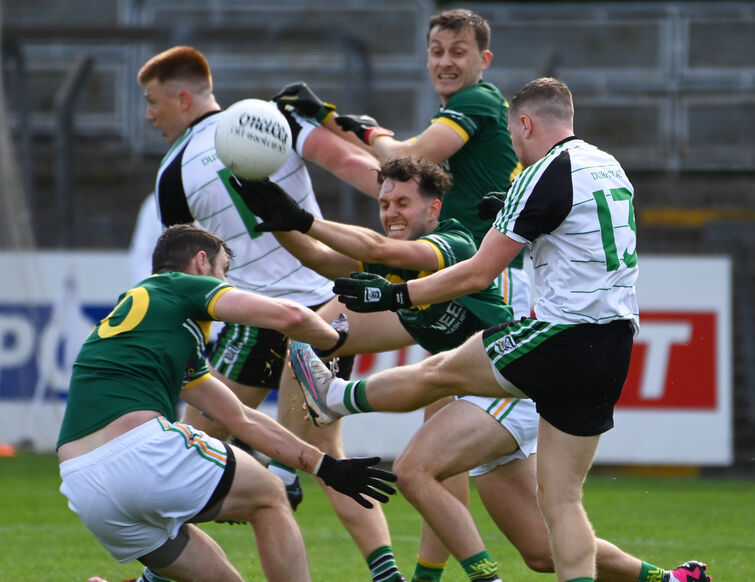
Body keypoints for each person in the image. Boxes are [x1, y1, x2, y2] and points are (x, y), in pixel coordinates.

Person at [289, 78, 711, 582]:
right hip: (616, 341)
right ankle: (667, 580)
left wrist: (395, 294)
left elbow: (476, 274)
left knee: (442, 372)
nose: (514, 146)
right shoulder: (610, 166)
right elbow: (576, 241)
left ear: (526, 124)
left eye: (515, 135)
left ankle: (336, 395)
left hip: (561, 334)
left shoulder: (541, 172)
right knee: (561, 506)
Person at [136, 46, 408, 582]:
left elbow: (188, 275)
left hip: (251, 315)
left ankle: (159, 573)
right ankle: (387, 575)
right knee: (326, 450)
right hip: (323, 306)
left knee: (194, 453)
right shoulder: (276, 118)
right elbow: (359, 168)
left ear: (182, 97)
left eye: (152, 101)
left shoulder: (172, 175)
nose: (149, 114)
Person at [275, 12, 532, 576]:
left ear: (483, 61)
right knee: (318, 339)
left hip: (469, 280)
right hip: (444, 281)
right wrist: (337, 124)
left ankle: (283, 473)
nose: (445, 60)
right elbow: (390, 175)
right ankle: (301, 469)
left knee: (436, 460)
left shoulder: (482, 103)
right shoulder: (461, 113)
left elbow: (409, 156)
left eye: (458, 51)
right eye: (436, 50)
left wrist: (354, 128)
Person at [58, 224, 396, 582]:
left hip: (84, 487)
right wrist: (334, 336)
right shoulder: (179, 285)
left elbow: (241, 419)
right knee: (269, 495)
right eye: (224, 272)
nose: (227, 283)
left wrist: (326, 468)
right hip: (140, 455)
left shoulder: (150, 326)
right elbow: (291, 316)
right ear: (202, 262)